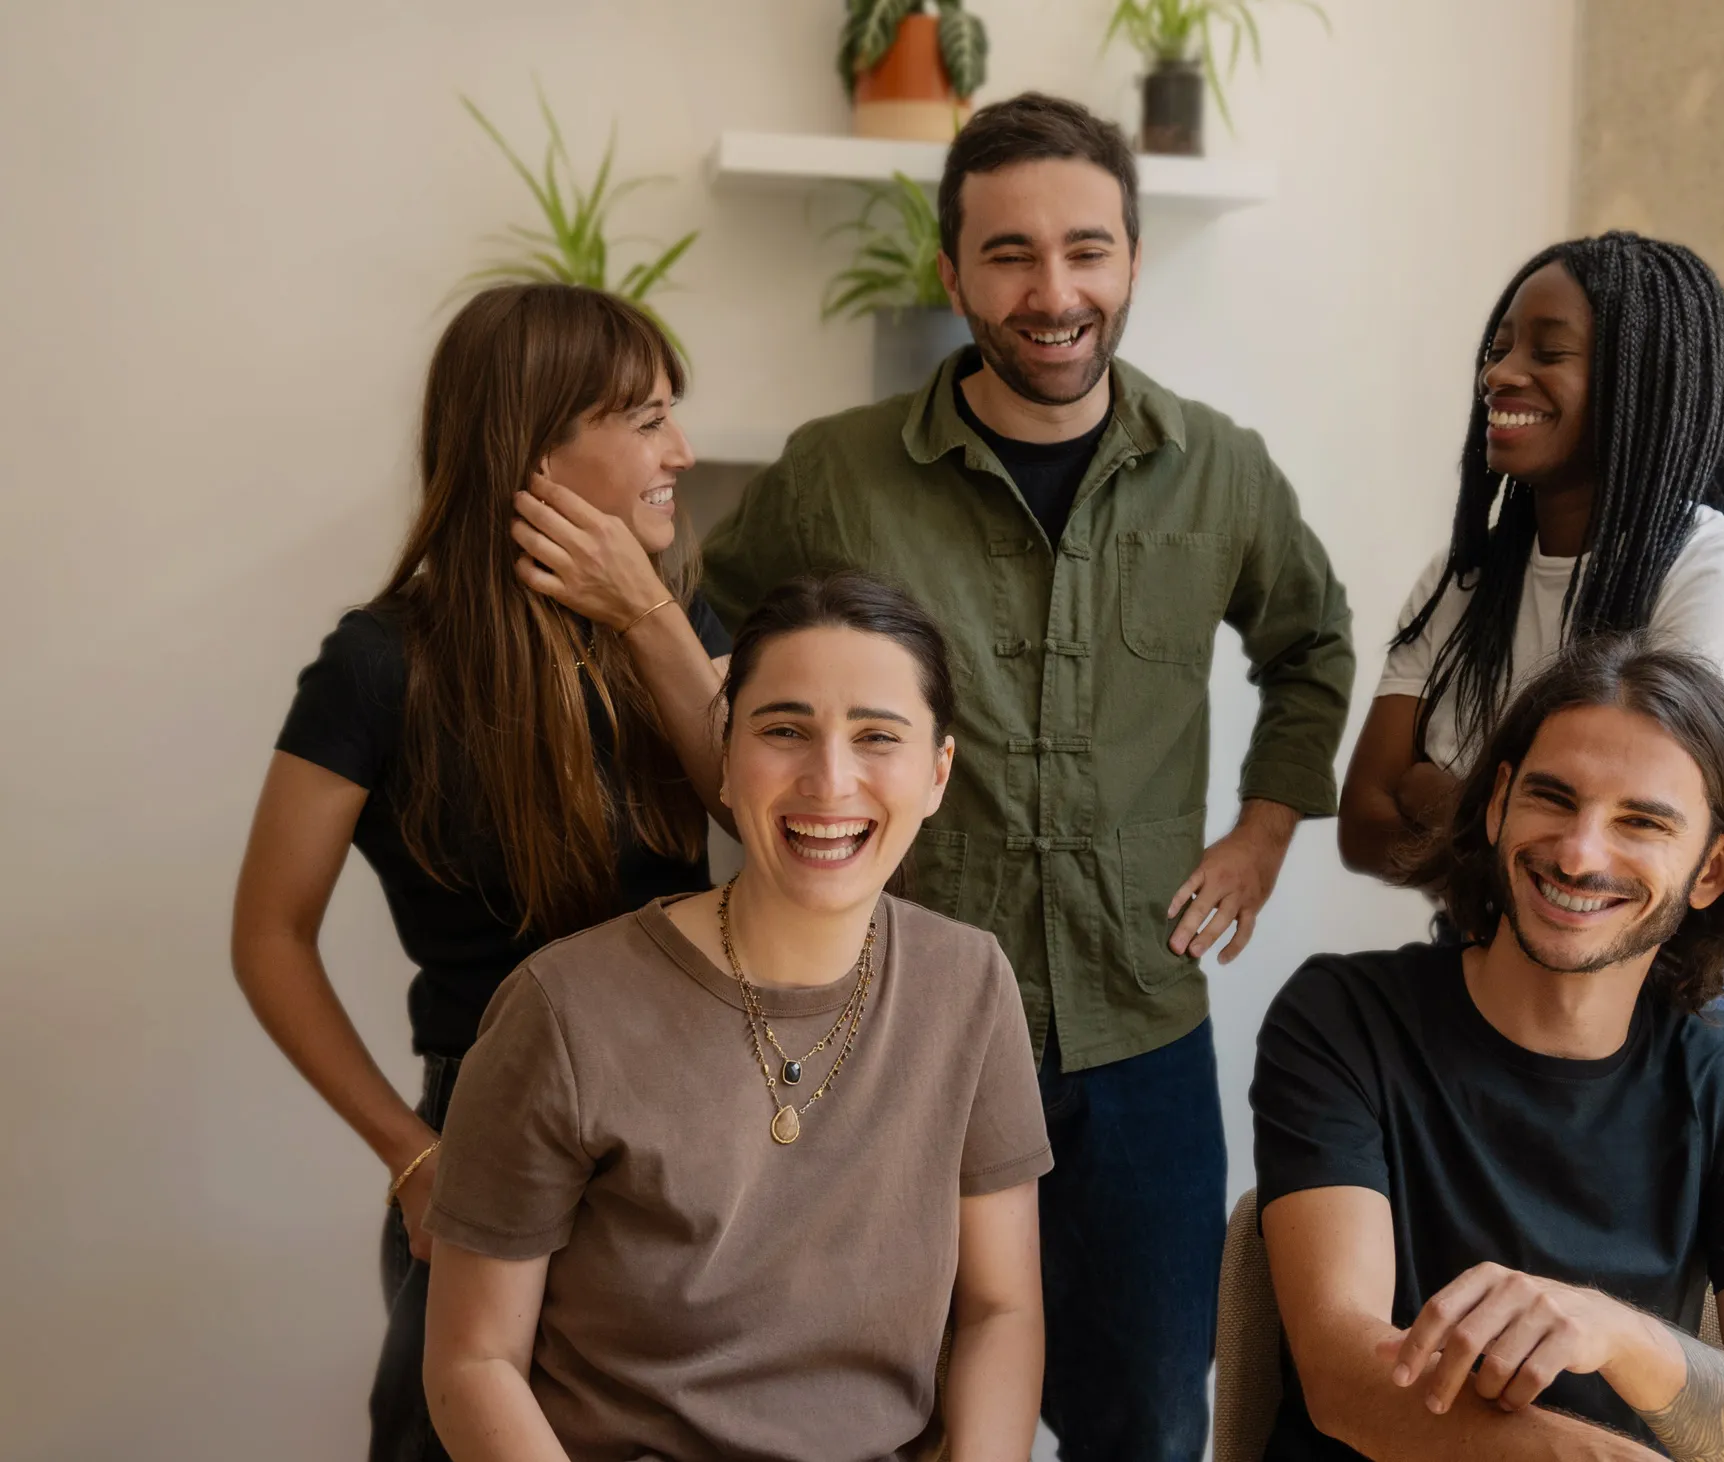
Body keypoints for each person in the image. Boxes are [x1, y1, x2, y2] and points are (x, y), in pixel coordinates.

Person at [701, 92, 1354, 1461]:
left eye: (1087, 250)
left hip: (1141, 1042)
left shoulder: (1218, 470)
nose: (1052, 291)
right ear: (952, 273)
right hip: (891, 1034)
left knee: (1148, 1418)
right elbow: (714, 646)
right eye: (1008, 254)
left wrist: (1264, 831)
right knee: (887, 1412)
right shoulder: (837, 474)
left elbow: (1313, 644)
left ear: (1130, 260)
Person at [231, 283, 735, 1462]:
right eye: (648, 418)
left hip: (680, 1131)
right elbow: (267, 934)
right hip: (483, 1132)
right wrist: (412, 1156)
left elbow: (763, 814)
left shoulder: (679, 620)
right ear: (538, 447)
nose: (683, 450)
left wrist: (651, 617)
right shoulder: (376, 667)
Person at [420, 570, 1051, 1462]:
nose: (830, 780)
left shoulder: (969, 985)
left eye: (878, 737)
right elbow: (473, 1361)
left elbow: (1003, 1308)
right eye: (784, 730)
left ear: (938, 773)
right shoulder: (562, 1010)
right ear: (724, 751)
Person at [1254, 634, 1724, 1461]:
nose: (1578, 851)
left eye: (1640, 821)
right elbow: (1345, 1376)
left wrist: (1618, 1335)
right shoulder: (1343, 1018)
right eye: (1553, 799)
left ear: (1712, 869)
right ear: (1497, 805)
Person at [1339, 233, 1724, 888]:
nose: (1498, 375)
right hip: (1485, 976)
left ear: (1642, 379)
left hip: (1657, 988)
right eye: (1498, 352)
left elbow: (1635, 853)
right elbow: (1362, 824)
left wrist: (1432, 791)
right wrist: (1517, 828)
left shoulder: (1717, 567)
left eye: (1548, 352)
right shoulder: (1462, 579)